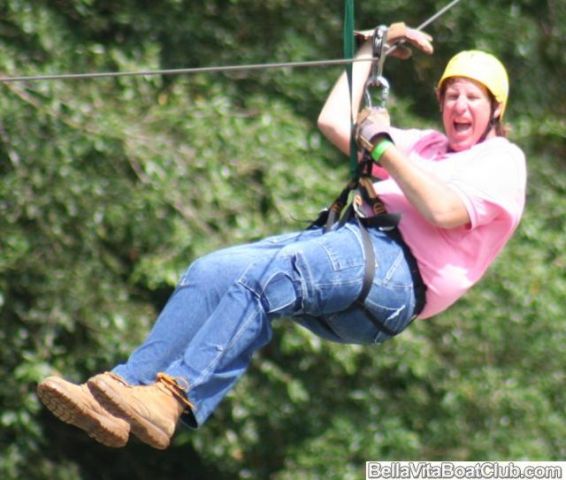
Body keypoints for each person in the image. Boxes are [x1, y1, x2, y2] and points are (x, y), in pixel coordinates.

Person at [36, 24, 526, 450]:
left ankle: (174, 397)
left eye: (473, 97)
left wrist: (382, 144)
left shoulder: (501, 161)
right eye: (452, 95)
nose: (460, 106)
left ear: (495, 108)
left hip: (398, 278)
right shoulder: (427, 145)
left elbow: (442, 210)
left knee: (274, 276)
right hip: (355, 251)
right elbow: (334, 121)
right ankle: (119, 395)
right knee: (212, 273)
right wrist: (368, 53)